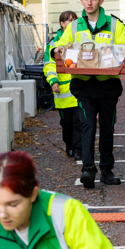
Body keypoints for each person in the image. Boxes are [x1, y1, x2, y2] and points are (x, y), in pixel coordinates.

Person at [51, 0, 125, 189]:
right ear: (81, 1)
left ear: (101, 1)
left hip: (107, 85)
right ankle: (88, 170)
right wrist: (59, 48)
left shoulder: (113, 24)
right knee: (87, 126)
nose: (89, 2)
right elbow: (61, 44)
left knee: (107, 128)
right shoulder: (74, 26)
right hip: (83, 86)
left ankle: (107, 171)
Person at [44, 11, 81, 158]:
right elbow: (49, 65)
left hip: (80, 87)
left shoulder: (81, 39)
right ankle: (69, 144)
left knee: (79, 121)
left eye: (73, 20)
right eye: (67, 20)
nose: (70, 23)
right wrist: (53, 82)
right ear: (61, 23)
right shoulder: (54, 44)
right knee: (67, 122)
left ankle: (79, 149)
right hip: (63, 90)